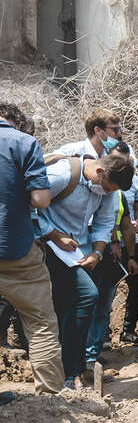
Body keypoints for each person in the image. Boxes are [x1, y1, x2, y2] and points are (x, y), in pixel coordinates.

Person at [36, 151, 133, 389]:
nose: (107, 192)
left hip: (78, 253)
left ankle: (75, 370)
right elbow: (27, 205)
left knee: (74, 309)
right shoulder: (62, 174)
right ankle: (68, 372)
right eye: (107, 188)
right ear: (100, 171)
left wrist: (97, 253)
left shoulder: (106, 189)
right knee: (85, 295)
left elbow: (104, 221)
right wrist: (54, 234)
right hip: (48, 248)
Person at [0, 103, 65, 403]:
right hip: (16, 249)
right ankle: (49, 399)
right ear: (17, 123)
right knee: (40, 322)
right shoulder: (24, 143)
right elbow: (41, 199)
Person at [82, 141, 138, 376]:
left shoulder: (116, 194)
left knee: (102, 305)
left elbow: (125, 225)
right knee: (84, 303)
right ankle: (76, 356)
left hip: (109, 257)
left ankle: (91, 356)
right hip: (85, 252)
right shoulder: (87, 188)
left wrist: (131, 256)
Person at [109, 140, 138, 346]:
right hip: (108, 243)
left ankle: (128, 330)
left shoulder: (135, 181)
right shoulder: (104, 182)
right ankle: (103, 335)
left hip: (129, 240)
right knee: (107, 288)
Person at [55, 107, 125, 159]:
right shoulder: (71, 152)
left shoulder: (112, 155)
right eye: (115, 130)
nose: (119, 134)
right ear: (97, 130)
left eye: (120, 129)